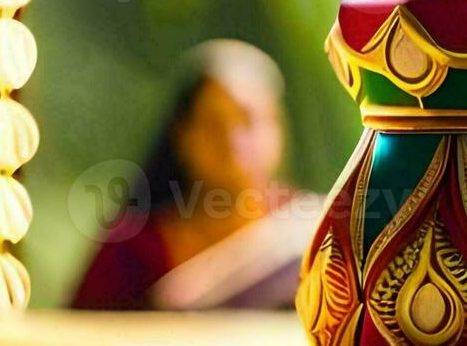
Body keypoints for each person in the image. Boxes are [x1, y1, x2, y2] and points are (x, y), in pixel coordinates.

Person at [72, 40, 316, 310]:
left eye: (248, 120)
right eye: (214, 124)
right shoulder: (133, 250)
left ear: (278, 128)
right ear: (183, 135)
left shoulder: (313, 237)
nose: (232, 141)